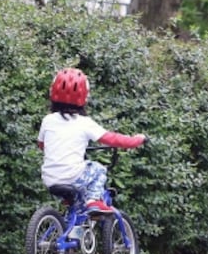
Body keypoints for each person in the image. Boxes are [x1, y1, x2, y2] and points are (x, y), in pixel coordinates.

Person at [37, 68, 148, 214]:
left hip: (50, 178)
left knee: (76, 211)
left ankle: (69, 228)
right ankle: (94, 201)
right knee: (98, 169)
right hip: (73, 176)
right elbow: (112, 139)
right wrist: (136, 140)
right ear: (84, 96)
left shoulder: (48, 120)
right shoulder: (84, 122)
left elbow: (42, 145)